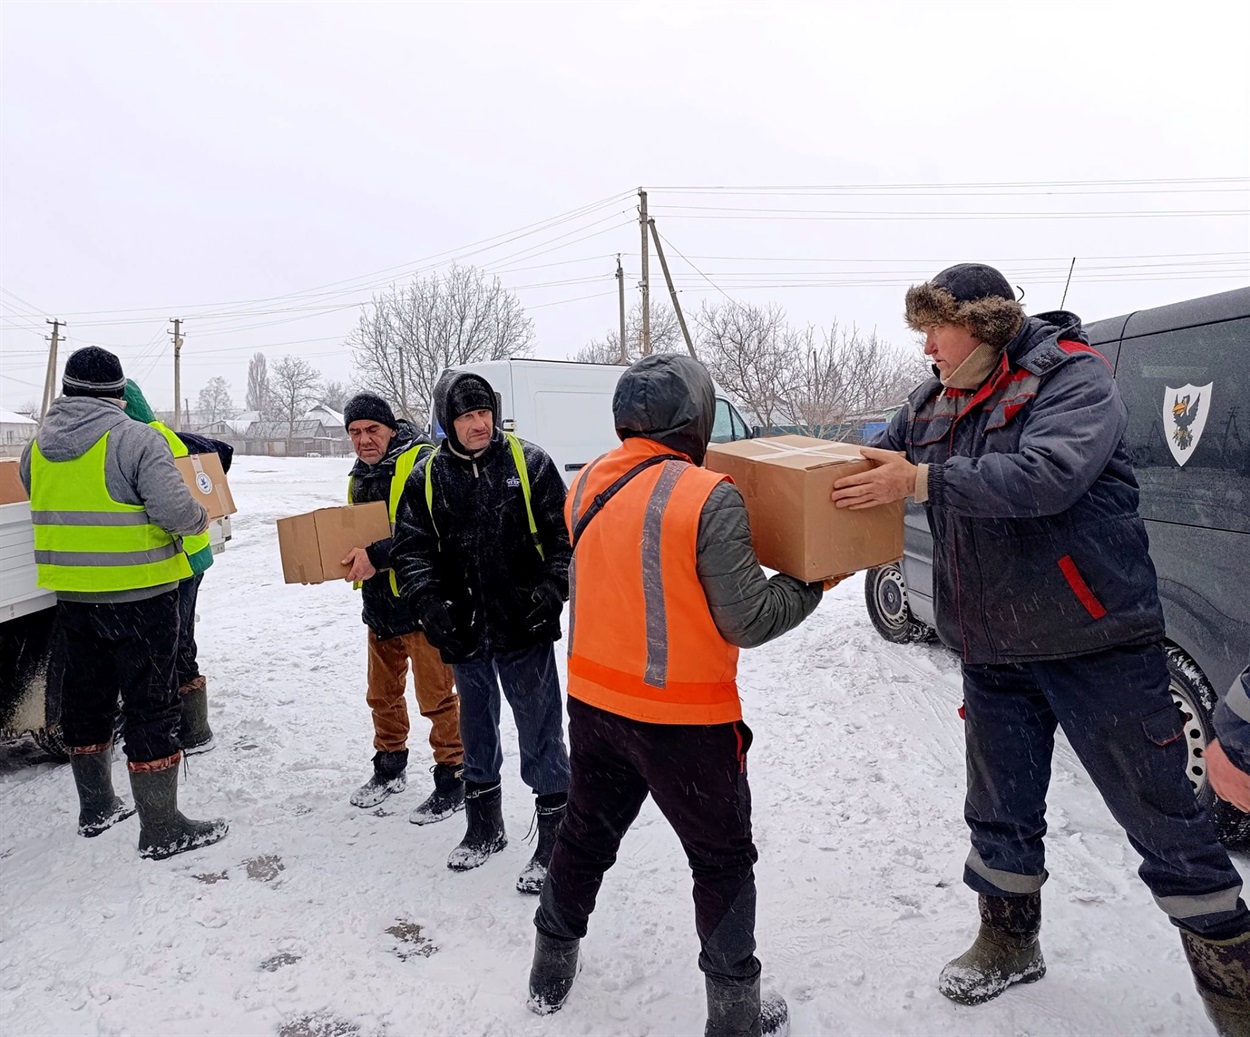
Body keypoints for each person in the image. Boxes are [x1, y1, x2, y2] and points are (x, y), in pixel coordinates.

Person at [830, 264, 1249, 1034]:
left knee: (1167, 822)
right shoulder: (930, 400)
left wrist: (921, 481)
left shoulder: (1072, 379)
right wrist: (820, 525)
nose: (926, 344)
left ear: (982, 324)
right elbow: (870, 470)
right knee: (998, 809)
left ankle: (1235, 988)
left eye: (935, 327)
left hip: (1096, 644)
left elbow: (1047, 475)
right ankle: (1008, 941)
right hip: (993, 650)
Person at [528, 354, 832, 1037]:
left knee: (584, 834)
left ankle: (549, 970)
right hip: (684, 721)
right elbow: (748, 617)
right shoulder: (706, 495)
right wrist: (815, 579)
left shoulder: (585, 483)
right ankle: (735, 1016)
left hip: (597, 706)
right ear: (694, 419)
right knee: (721, 860)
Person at [20, 346, 228, 860]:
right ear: (118, 393)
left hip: (73, 598)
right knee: (149, 705)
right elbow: (177, 512)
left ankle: (96, 808)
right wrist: (200, 519)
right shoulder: (135, 438)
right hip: (141, 598)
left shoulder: (36, 447)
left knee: (85, 701)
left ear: (67, 391)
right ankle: (161, 826)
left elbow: (41, 494)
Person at [390, 370, 571, 892]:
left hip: (524, 625)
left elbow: (564, 537)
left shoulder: (529, 463)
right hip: (464, 628)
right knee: (476, 727)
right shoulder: (428, 476)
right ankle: (484, 827)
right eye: (467, 416)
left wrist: (552, 589)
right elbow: (412, 548)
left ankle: (555, 838)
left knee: (540, 730)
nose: (479, 424)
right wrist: (428, 603)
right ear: (449, 422)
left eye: (484, 413)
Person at [339, 392, 466, 823]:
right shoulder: (359, 476)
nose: (363, 440)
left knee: (437, 698)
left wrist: (377, 554)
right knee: (382, 695)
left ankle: (454, 774)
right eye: (354, 433)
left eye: (372, 429)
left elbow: (435, 530)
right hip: (379, 605)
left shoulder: (424, 462)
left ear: (391, 428)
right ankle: (389, 767)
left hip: (422, 601)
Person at [121, 377, 226, 754]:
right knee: (180, 637)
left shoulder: (148, 440)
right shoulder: (160, 432)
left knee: (177, 640)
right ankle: (194, 726)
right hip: (192, 551)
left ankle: (195, 731)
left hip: (181, 553)